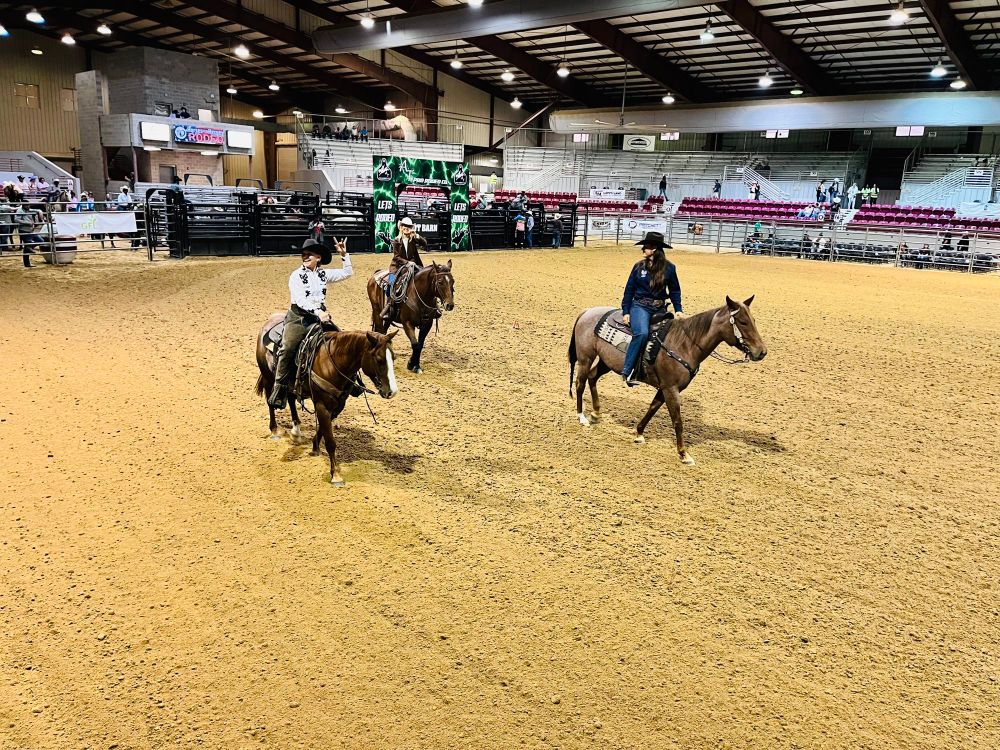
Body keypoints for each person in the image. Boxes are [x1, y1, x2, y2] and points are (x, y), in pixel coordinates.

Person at [268, 237, 352, 410]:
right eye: (303, 254)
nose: (305, 257)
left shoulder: (323, 274)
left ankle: (352, 381)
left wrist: (344, 255)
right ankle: (279, 388)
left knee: (342, 342)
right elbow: (299, 300)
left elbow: (347, 273)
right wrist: (318, 312)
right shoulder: (296, 276)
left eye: (309, 254)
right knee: (288, 347)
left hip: (319, 317)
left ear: (318, 257)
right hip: (298, 318)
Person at [620, 231, 683, 386]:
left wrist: (678, 309)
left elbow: (675, 290)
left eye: (645, 247)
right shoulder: (638, 267)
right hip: (640, 306)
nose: (642, 249)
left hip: (660, 308)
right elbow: (629, 290)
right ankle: (627, 371)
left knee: (670, 336)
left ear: (654, 248)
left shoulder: (669, 268)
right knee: (641, 333)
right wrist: (626, 311)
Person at [381, 217, 428, 322]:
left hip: (413, 265)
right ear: (401, 228)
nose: (407, 228)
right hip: (397, 266)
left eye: (409, 226)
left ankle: (431, 306)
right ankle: (388, 307)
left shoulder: (413, 239)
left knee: (425, 279)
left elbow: (424, 243)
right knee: (390, 283)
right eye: (405, 226)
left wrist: (416, 235)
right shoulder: (396, 241)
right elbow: (396, 257)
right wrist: (407, 262)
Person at [14, 202, 46, 268]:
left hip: (30, 230)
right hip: (24, 230)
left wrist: (40, 211)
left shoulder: (28, 210)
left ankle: (29, 248)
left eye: (29, 205)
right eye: (27, 205)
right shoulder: (20, 211)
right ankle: (27, 262)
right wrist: (27, 223)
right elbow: (16, 219)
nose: (28, 206)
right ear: (23, 205)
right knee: (28, 245)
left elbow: (35, 210)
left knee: (40, 240)